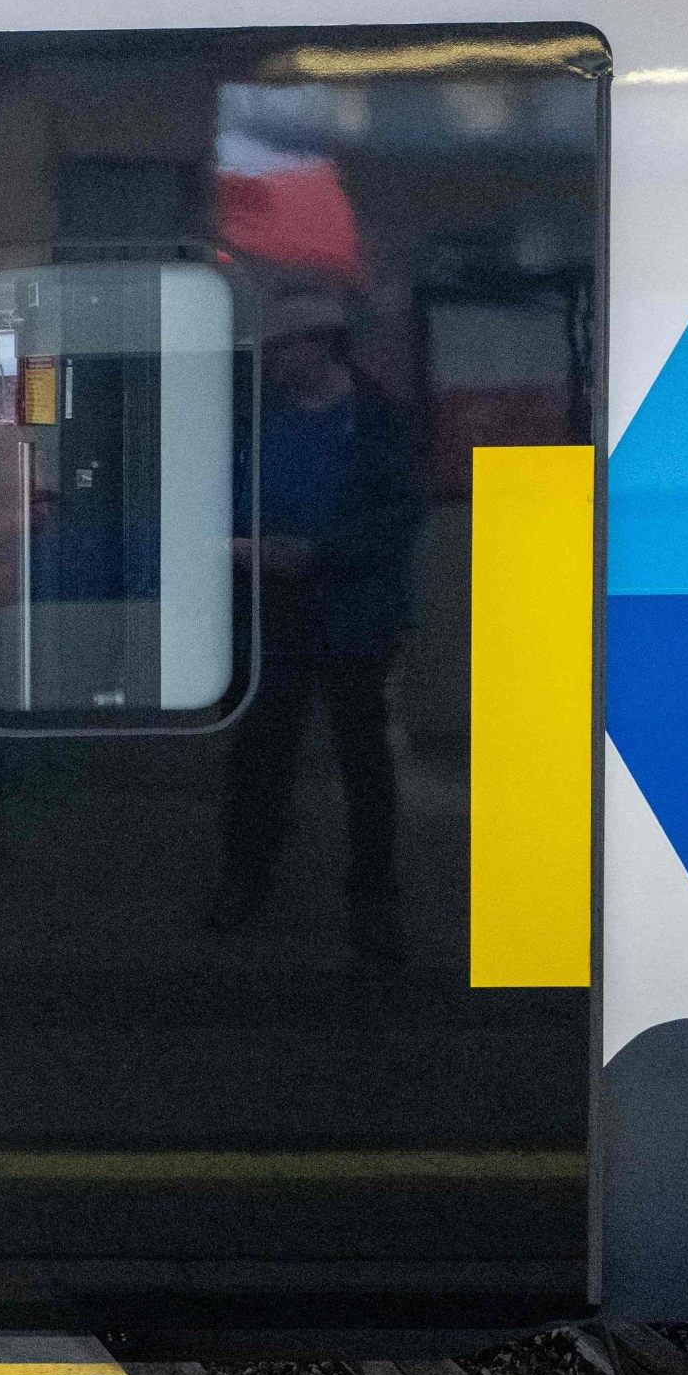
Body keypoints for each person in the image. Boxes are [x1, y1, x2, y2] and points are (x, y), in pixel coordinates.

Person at [208, 290, 426, 963]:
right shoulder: (252, 420)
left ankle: (371, 894)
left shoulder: (383, 423)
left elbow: (398, 517)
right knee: (258, 753)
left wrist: (316, 553)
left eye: (282, 347)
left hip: (351, 610)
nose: (270, 359)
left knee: (361, 754)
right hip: (266, 609)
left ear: (322, 344)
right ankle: (247, 875)